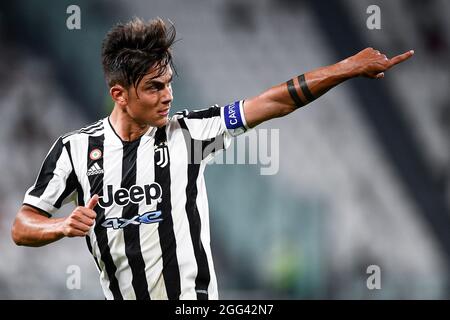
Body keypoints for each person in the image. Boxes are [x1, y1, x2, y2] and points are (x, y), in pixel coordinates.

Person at [11, 17, 413, 300]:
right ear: (119, 94)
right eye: (154, 87)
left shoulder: (189, 133)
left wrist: (345, 67)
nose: (168, 96)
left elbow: (273, 102)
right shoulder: (74, 150)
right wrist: (62, 226)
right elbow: (22, 224)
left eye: (169, 83)